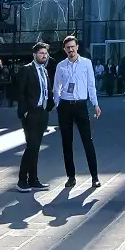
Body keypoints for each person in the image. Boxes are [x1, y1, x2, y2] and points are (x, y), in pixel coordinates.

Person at [53, 35, 101, 188]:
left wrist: (95, 104)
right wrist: (57, 103)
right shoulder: (61, 66)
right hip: (65, 105)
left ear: (77, 47)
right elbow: (56, 87)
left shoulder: (86, 64)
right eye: (68, 48)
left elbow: (91, 85)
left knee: (88, 141)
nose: (71, 49)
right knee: (67, 142)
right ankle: (71, 176)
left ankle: (94, 176)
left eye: (73, 46)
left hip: (81, 105)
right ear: (65, 50)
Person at [15, 42, 54, 192]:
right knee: (32, 146)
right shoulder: (27, 70)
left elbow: (47, 90)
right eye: (41, 53)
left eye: (45, 53)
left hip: (42, 112)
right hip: (31, 113)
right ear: (34, 55)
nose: (44, 55)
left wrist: (49, 107)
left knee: (36, 148)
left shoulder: (44, 71)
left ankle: (33, 179)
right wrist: (25, 111)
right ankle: (21, 180)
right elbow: (20, 91)